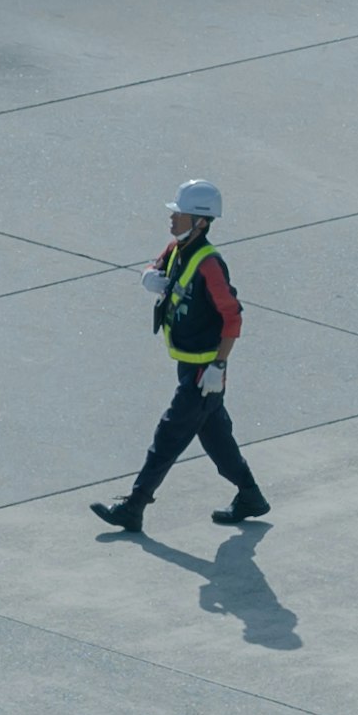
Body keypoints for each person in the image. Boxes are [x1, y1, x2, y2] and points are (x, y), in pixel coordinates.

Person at [92, 178, 267, 533]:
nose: (172, 220)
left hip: (204, 369)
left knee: (169, 434)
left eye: (180, 215)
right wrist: (148, 276)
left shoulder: (209, 264)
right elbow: (158, 264)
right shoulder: (177, 248)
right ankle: (250, 496)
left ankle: (135, 505)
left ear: (201, 222)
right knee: (215, 436)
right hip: (189, 364)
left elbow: (232, 316)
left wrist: (218, 366)